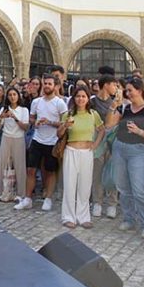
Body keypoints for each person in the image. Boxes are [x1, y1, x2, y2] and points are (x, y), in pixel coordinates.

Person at [105, 77, 144, 238]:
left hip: (139, 150)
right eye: (126, 90)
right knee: (123, 187)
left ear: (139, 90)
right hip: (120, 148)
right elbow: (109, 125)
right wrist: (113, 107)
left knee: (139, 188)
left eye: (130, 90)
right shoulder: (125, 109)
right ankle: (129, 218)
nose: (127, 93)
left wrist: (139, 131)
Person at [15, 74, 67, 211]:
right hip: (37, 139)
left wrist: (50, 122)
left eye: (50, 84)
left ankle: (48, 198)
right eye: (46, 83)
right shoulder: (36, 102)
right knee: (31, 169)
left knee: (50, 171)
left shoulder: (60, 103)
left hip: (53, 141)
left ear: (55, 86)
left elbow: (64, 123)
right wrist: (35, 122)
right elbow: (31, 118)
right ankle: (27, 199)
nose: (47, 86)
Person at [57, 86, 105, 229]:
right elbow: (58, 134)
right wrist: (65, 125)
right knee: (70, 184)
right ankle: (68, 216)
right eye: (78, 96)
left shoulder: (93, 114)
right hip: (71, 150)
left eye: (84, 96)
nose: (81, 99)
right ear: (74, 98)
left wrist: (95, 144)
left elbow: (102, 130)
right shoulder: (68, 114)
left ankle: (83, 216)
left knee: (85, 185)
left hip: (87, 152)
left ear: (87, 98)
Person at [89, 74, 120, 219]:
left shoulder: (115, 103)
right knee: (97, 172)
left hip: (112, 140)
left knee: (112, 172)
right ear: (106, 85)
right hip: (96, 141)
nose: (116, 88)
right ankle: (97, 202)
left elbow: (111, 123)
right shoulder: (92, 102)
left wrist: (113, 109)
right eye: (114, 85)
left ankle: (112, 203)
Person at [0, 87, 29, 201]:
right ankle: (2, 191)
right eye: (10, 95)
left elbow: (25, 127)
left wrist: (14, 118)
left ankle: (21, 193)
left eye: (14, 94)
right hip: (6, 137)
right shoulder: (4, 110)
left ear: (18, 96)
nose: (12, 97)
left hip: (18, 138)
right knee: (3, 164)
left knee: (20, 166)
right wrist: (2, 117)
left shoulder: (24, 110)